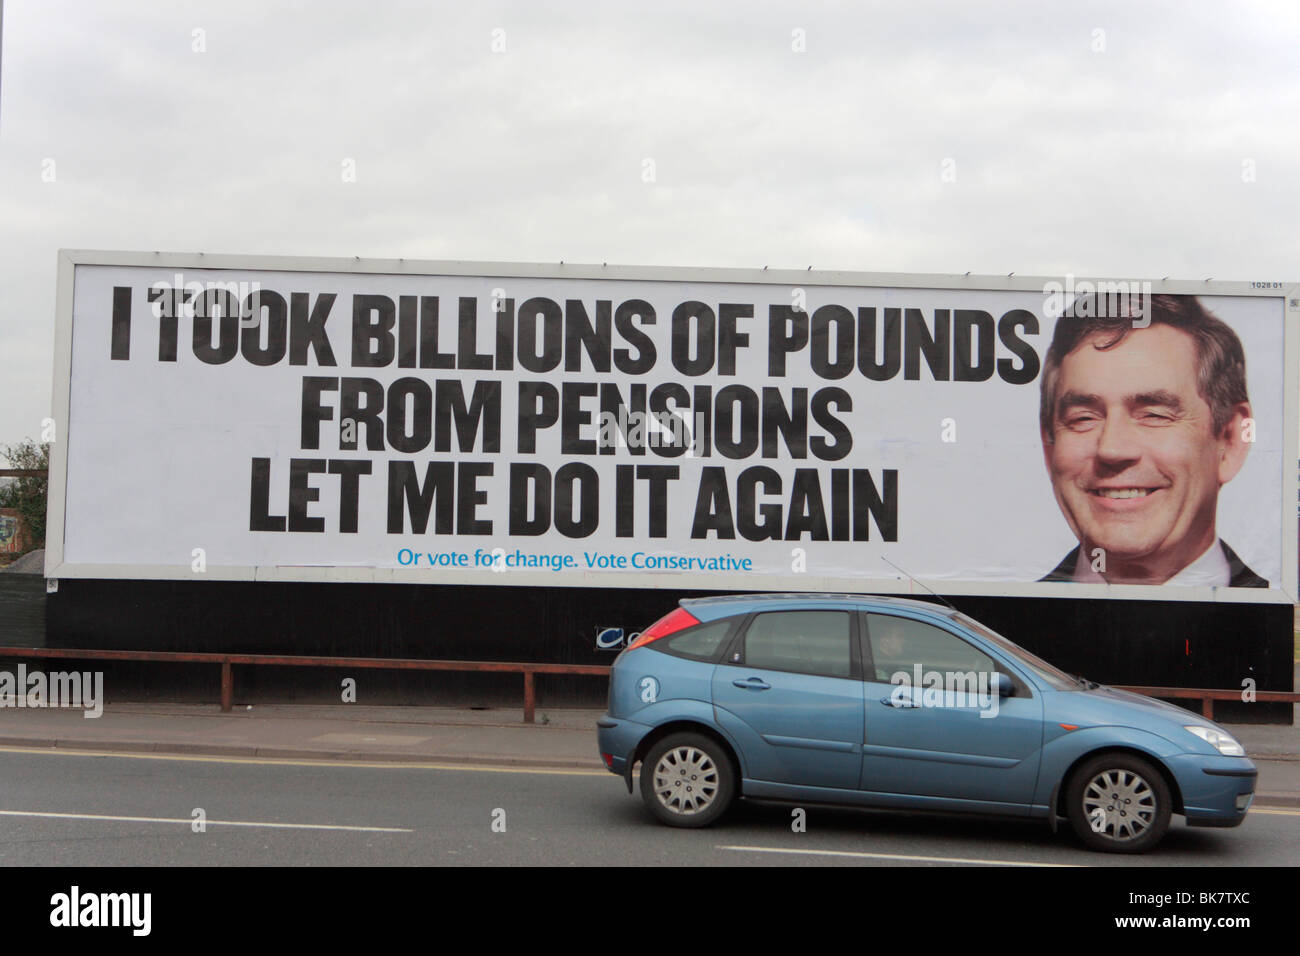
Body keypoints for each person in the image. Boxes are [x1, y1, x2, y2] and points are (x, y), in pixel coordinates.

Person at [1038, 293, 1267, 587]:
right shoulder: (999, 627)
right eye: (1084, 418)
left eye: (1154, 414)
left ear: (1230, 440)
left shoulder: (1268, 612)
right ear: (1049, 447)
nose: (1112, 449)